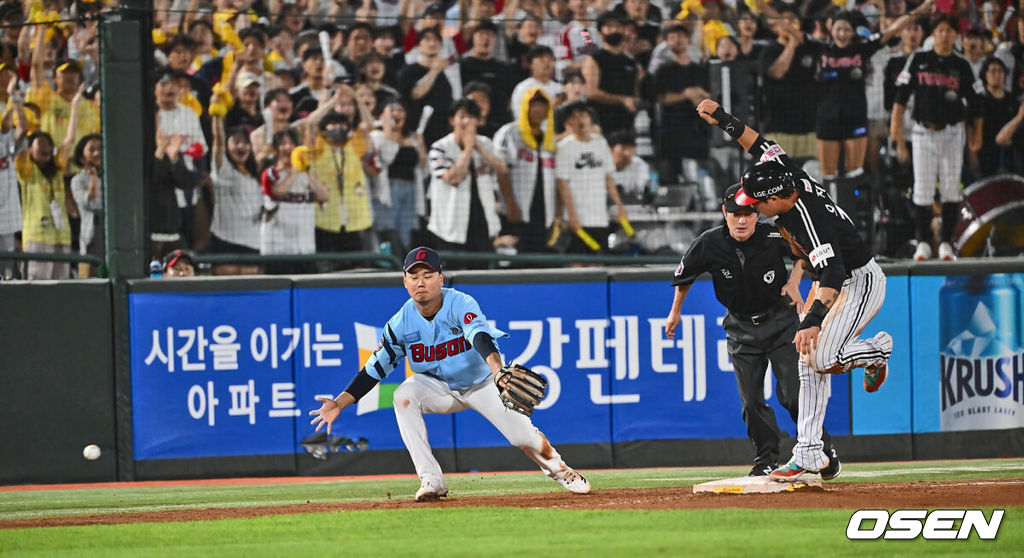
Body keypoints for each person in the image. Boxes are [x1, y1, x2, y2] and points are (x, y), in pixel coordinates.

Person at [697, 98, 892, 482]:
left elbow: (833, 272)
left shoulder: (807, 220)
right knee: (808, 361)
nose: (752, 209)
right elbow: (759, 144)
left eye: (755, 203)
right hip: (832, 280)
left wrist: (813, 320)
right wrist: (723, 119)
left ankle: (878, 349)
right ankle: (809, 453)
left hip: (857, 281)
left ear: (774, 200)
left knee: (821, 356)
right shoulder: (788, 175)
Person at [308, 246, 592, 500]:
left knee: (522, 438)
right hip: (437, 387)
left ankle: (561, 470)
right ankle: (431, 480)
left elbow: (480, 335)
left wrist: (498, 371)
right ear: (405, 281)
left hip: (482, 382)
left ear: (441, 279)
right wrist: (338, 403)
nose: (421, 281)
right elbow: (375, 369)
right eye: (414, 275)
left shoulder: (461, 303)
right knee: (403, 396)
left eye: (428, 274)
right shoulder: (399, 324)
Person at [665, 184, 840, 478]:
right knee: (751, 400)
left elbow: (806, 251)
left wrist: (796, 279)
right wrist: (675, 311)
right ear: (725, 213)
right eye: (735, 214)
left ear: (757, 214)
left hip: (781, 322)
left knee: (793, 395)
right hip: (740, 327)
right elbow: (685, 275)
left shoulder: (773, 234)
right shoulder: (709, 243)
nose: (742, 220)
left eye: (748, 213)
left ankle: (821, 448)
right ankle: (766, 458)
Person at [891, 15, 983, 262]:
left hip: (953, 133)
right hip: (922, 133)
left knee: (951, 189)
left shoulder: (962, 65)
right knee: (922, 188)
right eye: (940, 31)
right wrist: (897, 137)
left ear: (956, 36)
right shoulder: (920, 59)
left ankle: (946, 243)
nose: (944, 35)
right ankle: (923, 241)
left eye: (949, 31)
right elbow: (899, 99)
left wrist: (977, 137)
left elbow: (977, 104)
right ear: (934, 34)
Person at [426, 98, 513, 256]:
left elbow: (502, 169)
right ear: (453, 120)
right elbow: (453, 178)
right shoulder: (440, 147)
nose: (467, 121)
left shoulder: (485, 143)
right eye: (462, 116)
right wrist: (468, 149)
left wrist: (478, 147)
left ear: (478, 121)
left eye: (472, 117)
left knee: (481, 275)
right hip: (449, 226)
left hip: (482, 223)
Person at [555, 101, 629, 254]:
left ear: (590, 119)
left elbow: (608, 178)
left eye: (583, 115)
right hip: (577, 221)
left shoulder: (600, 143)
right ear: (568, 123)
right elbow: (562, 184)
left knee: (598, 264)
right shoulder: (563, 147)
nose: (580, 120)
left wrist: (620, 206)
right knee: (578, 265)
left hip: (600, 217)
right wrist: (571, 216)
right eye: (574, 117)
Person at [493, 87, 558, 254]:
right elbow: (501, 170)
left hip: (543, 213)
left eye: (542, 106)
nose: (538, 110)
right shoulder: (510, 132)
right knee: (513, 260)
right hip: (515, 212)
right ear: (524, 107)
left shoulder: (549, 140)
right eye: (533, 105)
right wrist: (510, 204)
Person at [209, 97, 262, 275]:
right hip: (226, 240)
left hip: (253, 243)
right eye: (236, 141)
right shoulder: (223, 171)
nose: (242, 146)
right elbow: (217, 140)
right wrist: (217, 115)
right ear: (227, 146)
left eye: (245, 142)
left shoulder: (255, 178)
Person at [582, 12, 641, 136]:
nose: (614, 30)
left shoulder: (631, 62)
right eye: (609, 27)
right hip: (601, 121)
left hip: (626, 123)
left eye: (618, 26)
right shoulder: (594, 59)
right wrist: (623, 100)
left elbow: (634, 93)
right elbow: (592, 92)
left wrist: (635, 102)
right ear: (600, 32)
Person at [69, 133, 103, 278]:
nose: (97, 152)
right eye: (91, 149)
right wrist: (93, 177)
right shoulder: (78, 180)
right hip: (92, 238)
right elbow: (93, 204)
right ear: (82, 157)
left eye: (100, 148)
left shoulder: (112, 175)